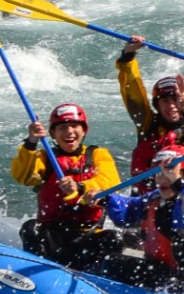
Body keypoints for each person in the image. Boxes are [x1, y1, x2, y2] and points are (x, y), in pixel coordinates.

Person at [102, 144, 184, 291]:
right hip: (165, 272)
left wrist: (178, 183)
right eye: (159, 173)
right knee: (111, 256)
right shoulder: (156, 197)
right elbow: (129, 211)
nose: (163, 179)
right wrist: (106, 200)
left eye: (170, 174)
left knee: (112, 264)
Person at [13, 103, 123, 270]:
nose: (69, 132)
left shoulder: (97, 155)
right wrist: (31, 142)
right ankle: (36, 277)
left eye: (74, 126)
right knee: (30, 228)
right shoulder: (44, 157)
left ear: (84, 131)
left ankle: (98, 280)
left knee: (114, 237)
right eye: (62, 127)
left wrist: (80, 187)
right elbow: (24, 177)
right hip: (52, 236)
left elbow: (110, 183)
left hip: (87, 236)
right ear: (53, 134)